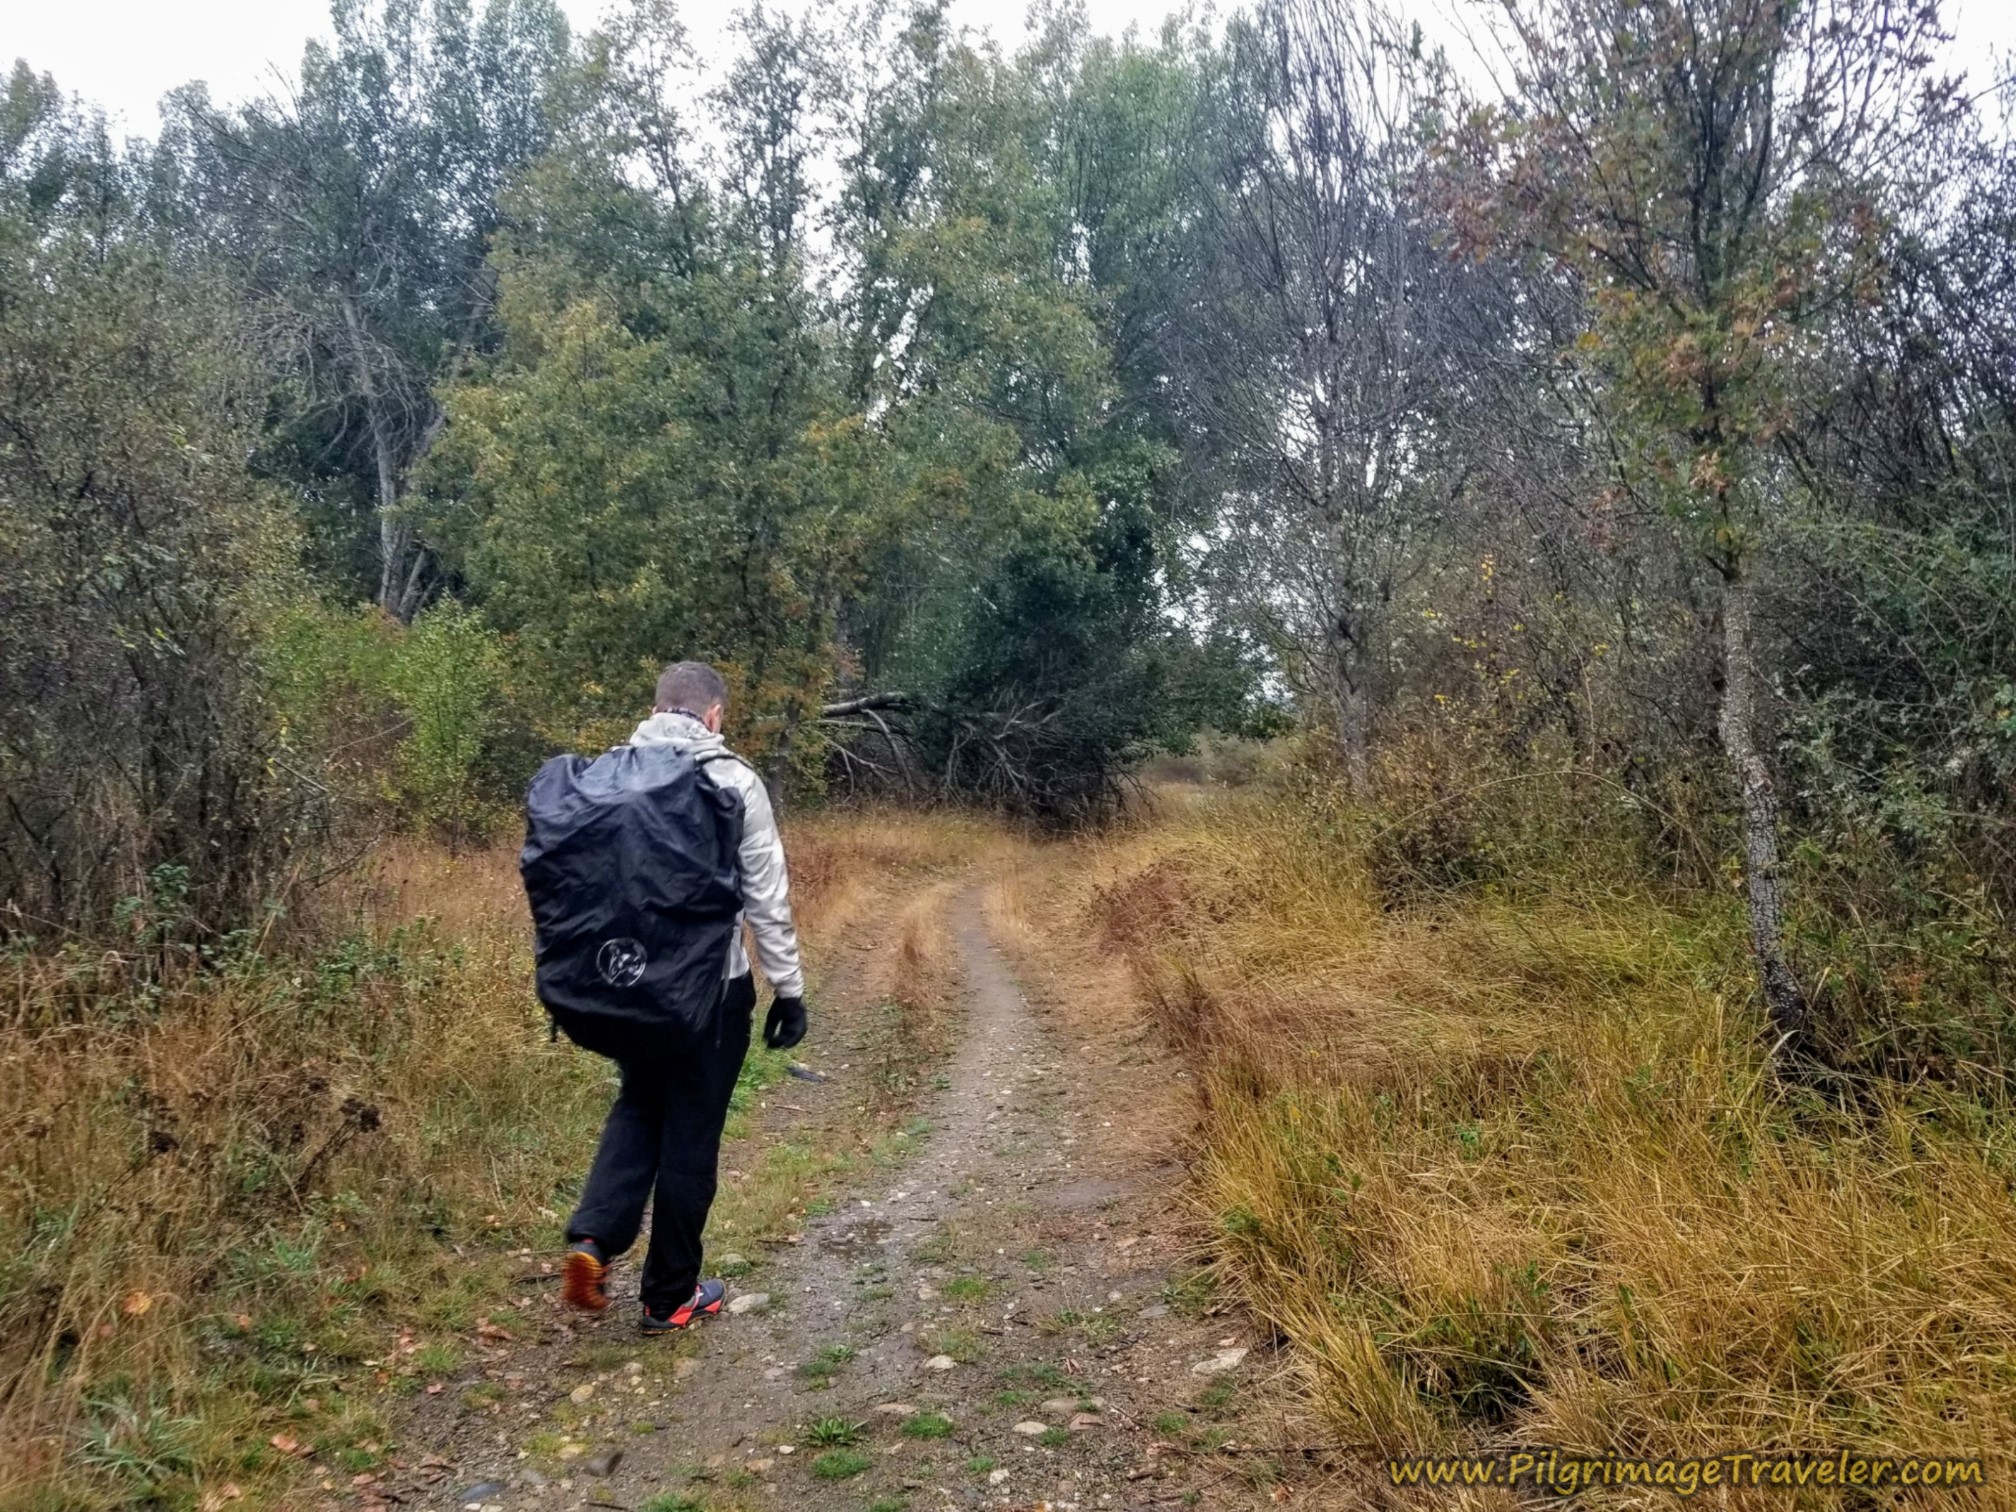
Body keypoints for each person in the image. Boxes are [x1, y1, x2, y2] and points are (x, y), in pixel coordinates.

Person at [560, 661, 808, 1333]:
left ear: (655, 710)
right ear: (714, 716)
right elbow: (766, 899)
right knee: (690, 1135)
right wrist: (788, 991)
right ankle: (669, 1295)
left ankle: (593, 1239)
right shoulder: (735, 781)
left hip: (626, 983)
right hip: (710, 992)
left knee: (640, 1102)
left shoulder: (608, 774)